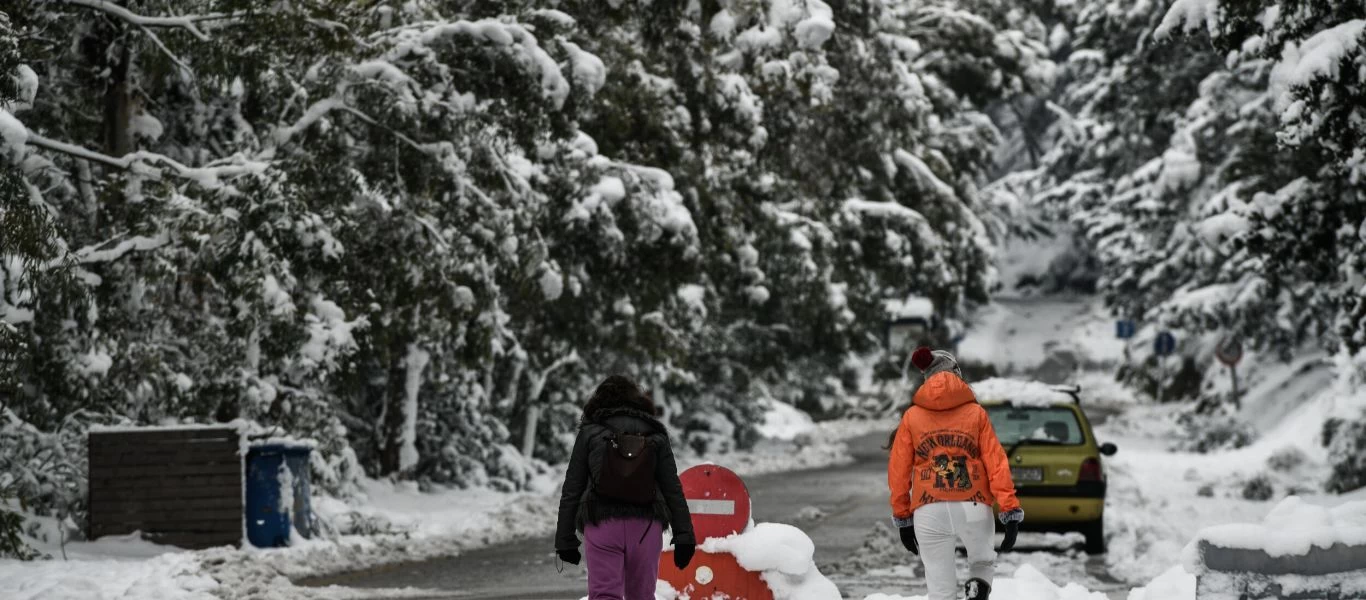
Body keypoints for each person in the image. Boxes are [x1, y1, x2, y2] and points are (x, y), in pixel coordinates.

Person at [887, 347, 1023, 600]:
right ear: (957, 374)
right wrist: (1009, 509)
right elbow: (996, 463)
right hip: (973, 505)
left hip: (929, 509)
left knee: (940, 590)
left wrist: (903, 517)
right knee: (982, 562)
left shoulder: (912, 416)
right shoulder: (976, 414)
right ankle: (977, 585)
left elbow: (898, 471)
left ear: (927, 377)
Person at [555, 375, 696, 600]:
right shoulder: (655, 432)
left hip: (602, 525)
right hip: (645, 528)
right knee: (641, 596)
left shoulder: (590, 433)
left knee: (604, 595)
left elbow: (573, 487)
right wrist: (684, 536)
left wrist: (565, 539)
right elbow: (672, 488)